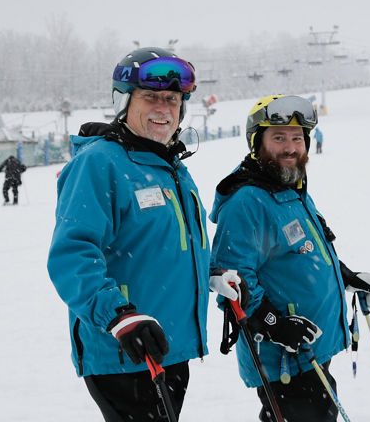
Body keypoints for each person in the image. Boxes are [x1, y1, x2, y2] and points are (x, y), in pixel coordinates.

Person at [47, 47, 248, 422]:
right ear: (124, 102)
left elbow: (168, 248)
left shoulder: (168, 166)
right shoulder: (99, 163)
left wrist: (211, 275)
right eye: (151, 97)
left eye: (172, 99)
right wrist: (120, 317)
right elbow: (72, 255)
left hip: (170, 347)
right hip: (125, 351)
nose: (164, 108)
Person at [210, 94, 370, 421]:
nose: (290, 147)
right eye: (278, 138)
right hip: (286, 358)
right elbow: (231, 281)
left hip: (313, 349)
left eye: (297, 138)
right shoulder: (248, 201)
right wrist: (276, 325)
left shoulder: (291, 189)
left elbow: (306, 249)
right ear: (256, 143)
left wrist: (346, 276)